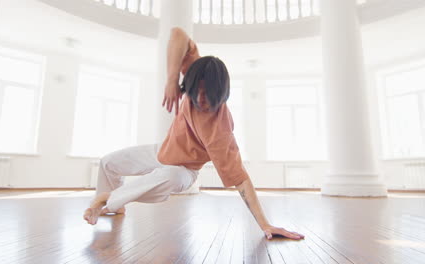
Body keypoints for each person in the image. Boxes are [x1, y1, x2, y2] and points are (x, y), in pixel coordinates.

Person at [83, 27, 304, 240]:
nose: (199, 98)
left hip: (184, 170)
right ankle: (116, 206)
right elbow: (178, 33)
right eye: (195, 90)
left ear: (221, 92)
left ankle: (106, 200)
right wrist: (172, 80)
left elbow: (241, 180)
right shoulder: (196, 73)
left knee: (169, 176)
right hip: (163, 150)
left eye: (206, 93)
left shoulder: (220, 130)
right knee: (108, 162)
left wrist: (265, 224)